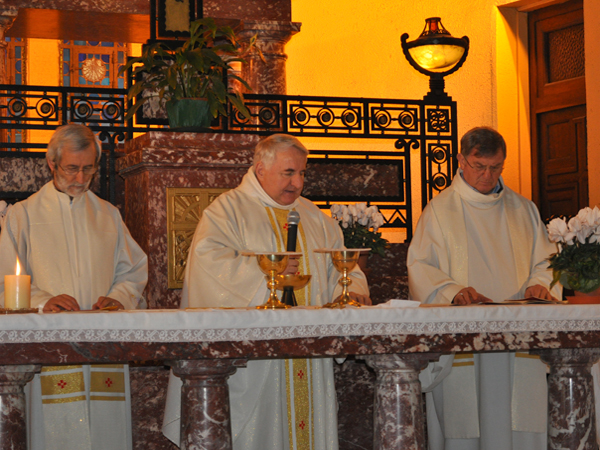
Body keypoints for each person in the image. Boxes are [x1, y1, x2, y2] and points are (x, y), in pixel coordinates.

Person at [162, 133, 370, 450]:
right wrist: (265, 276)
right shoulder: (227, 211)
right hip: (257, 363)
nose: (297, 183)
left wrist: (352, 291)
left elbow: (343, 267)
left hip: (309, 355)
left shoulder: (315, 217)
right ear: (261, 169)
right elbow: (209, 265)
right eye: (289, 173)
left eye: (302, 173)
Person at [407, 127, 560, 450]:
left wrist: (540, 284)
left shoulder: (523, 209)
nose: (488, 176)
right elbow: (420, 266)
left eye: (496, 167)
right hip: (464, 341)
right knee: (466, 423)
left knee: (521, 419)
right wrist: (452, 291)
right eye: (479, 166)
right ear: (460, 160)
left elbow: (547, 260)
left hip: (519, 338)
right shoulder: (440, 210)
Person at [0, 124, 148, 450]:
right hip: (48, 342)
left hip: (102, 344)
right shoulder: (23, 215)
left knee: (105, 432)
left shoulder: (108, 215)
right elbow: (5, 278)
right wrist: (44, 301)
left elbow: (133, 270)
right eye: (71, 168)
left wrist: (118, 298)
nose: (80, 178)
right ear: (52, 163)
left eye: (88, 169)